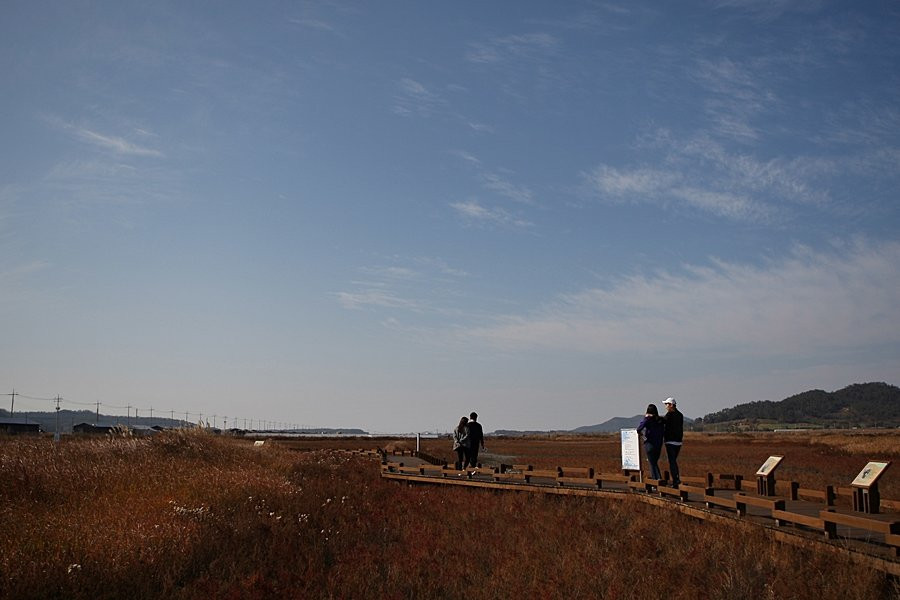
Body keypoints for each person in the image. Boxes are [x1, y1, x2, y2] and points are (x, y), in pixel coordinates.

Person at [636, 403, 664, 481]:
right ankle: (658, 479)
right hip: (659, 444)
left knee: (652, 463)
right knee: (654, 462)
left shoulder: (648, 419)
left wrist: (643, 436)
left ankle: (657, 480)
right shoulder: (660, 420)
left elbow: (639, 429)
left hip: (650, 443)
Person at [662, 397, 683, 487]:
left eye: (666, 404)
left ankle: (676, 480)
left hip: (670, 441)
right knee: (674, 461)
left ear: (671, 405)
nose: (666, 406)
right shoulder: (680, 415)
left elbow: (662, 421)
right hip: (678, 441)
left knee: (672, 461)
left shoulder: (669, 415)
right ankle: (676, 478)